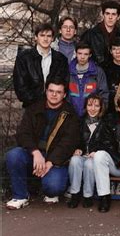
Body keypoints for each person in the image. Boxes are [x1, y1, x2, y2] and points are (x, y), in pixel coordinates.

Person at [5, 78, 80, 210]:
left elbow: (68, 143)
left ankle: (50, 189)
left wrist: (50, 162)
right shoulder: (34, 109)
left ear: (64, 95)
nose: (54, 94)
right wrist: (35, 152)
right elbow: (23, 133)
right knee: (13, 155)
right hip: (34, 154)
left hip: (55, 159)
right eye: (51, 90)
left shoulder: (70, 114)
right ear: (46, 91)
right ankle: (20, 196)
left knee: (53, 187)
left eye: (58, 92)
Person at [13, 23, 69, 108]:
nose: (45, 39)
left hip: (55, 107)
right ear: (36, 37)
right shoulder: (24, 58)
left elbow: (64, 84)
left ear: (53, 38)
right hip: (31, 107)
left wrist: (52, 102)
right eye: (42, 35)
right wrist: (36, 102)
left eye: (49, 36)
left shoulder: (61, 59)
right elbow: (20, 87)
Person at [67, 94, 106, 208]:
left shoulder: (105, 123)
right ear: (85, 106)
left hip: (95, 157)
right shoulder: (79, 121)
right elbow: (74, 139)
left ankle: (88, 195)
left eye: (96, 106)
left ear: (101, 108)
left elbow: (107, 143)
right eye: (89, 105)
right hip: (82, 154)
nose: (92, 109)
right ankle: (74, 193)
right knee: (74, 161)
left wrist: (97, 152)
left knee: (89, 164)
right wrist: (77, 149)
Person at [81, 0, 120, 67]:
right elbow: (81, 57)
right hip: (94, 74)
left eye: (113, 14)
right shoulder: (90, 35)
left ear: (118, 17)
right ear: (102, 14)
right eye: (107, 13)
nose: (110, 17)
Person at [68, 42, 109, 117]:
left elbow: (104, 95)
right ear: (75, 53)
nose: (82, 57)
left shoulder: (97, 72)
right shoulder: (68, 72)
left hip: (92, 118)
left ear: (90, 55)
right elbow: (65, 95)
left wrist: (99, 114)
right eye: (80, 53)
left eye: (86, 54)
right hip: (71, 118)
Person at [103, 37, 120, 113]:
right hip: (107, 106)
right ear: (111, 51)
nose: (117, 52)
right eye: (114, 49)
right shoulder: (104, 67)